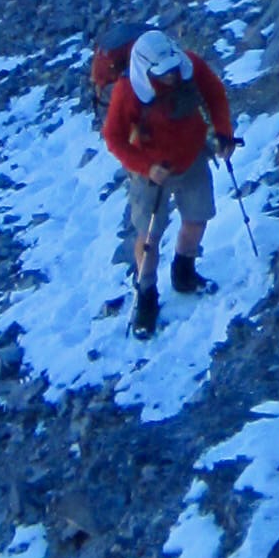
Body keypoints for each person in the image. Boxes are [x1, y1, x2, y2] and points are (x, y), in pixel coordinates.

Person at [100, 25, 236, 336]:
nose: (172, 77)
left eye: (173, 69)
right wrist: (146, 167)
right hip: (152, 174)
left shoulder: (190, 65)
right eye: (163, 73)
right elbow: (114, 138)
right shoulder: (127, 91)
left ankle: (183, 272)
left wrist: (223, 132)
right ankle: (146, 296)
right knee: (149, 237)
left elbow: (215, 94)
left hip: (191, 158)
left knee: (197, 218)